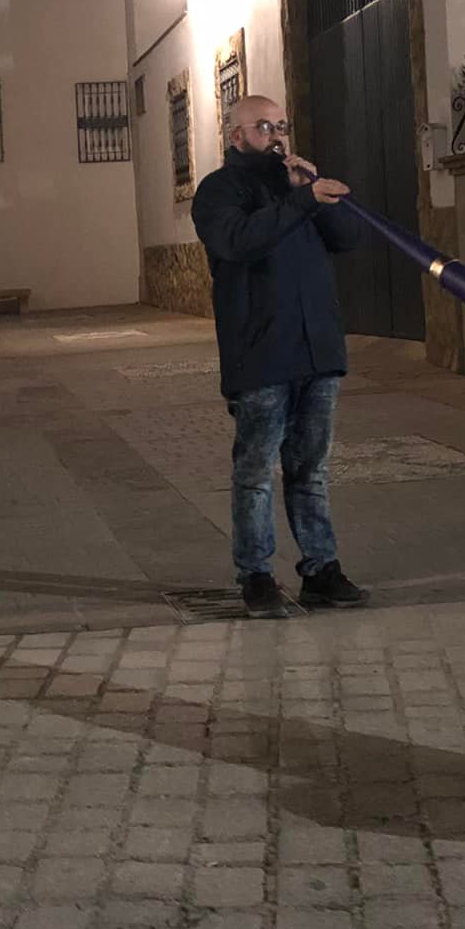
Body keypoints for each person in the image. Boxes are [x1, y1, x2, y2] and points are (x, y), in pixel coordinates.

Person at [191, 94, 369, 617]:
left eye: (281, 125)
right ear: (236, 135)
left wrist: (315, 196)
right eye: (264, 126)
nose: (276, 135)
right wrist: (300, 201)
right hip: (261, 353)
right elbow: (240, 242)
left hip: (317, 350)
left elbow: (348, 238)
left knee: (310, 469)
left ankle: (321, 570)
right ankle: (257, 576)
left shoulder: (298, 188)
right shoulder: (219, 191)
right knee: (255, 471)